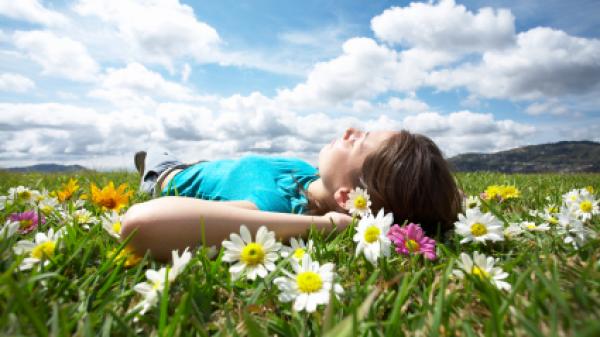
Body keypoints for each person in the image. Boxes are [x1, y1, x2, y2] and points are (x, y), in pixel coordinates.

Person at [121, 128, 462, 261]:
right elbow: (438, 195)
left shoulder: (272, 206)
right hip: (206, 164)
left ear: (347, 198)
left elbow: (141, 224)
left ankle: (148, 167)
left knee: (153, 150)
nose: (349, 131)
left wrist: (328, 225)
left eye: (358, 142)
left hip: (168, 176)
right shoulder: (312, 177)